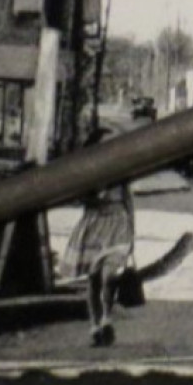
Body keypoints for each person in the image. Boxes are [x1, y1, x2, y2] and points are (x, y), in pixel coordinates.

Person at [58, 129, 135, 348]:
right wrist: (92, 194)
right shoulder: (87, 171)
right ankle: (95, 326)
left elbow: (128, 198)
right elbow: (77, 197)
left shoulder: (123, 167)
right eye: (106, 144)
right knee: (92, 280)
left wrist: (133, 231)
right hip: (94, 224)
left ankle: (107, 319)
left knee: (108, 275)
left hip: (117, 223)